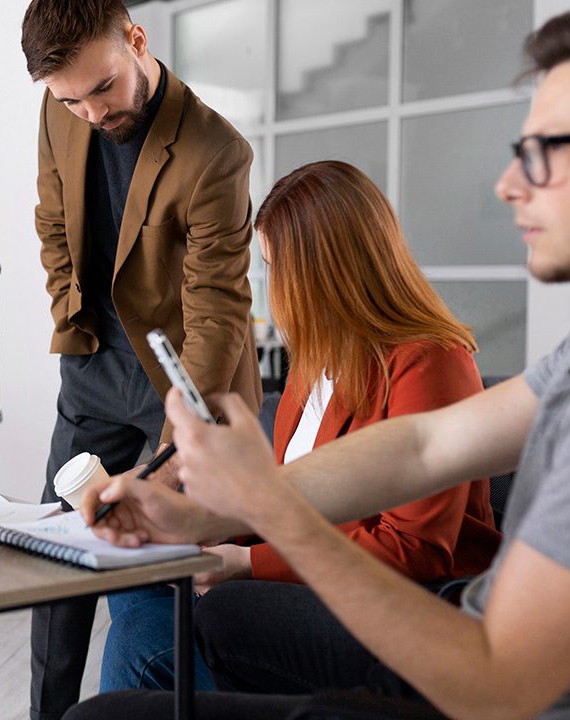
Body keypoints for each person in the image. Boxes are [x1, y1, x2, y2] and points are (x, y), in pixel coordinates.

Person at [70, 0, 570, 717]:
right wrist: (225, 509)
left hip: (473, 688)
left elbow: (497, 683)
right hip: (465, 649)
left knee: (112, 709)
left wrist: (267, 527)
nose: (508, 186)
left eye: (549, 150)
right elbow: (426, 443)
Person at [99, 161, 502, 695]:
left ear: (326, 271)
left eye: (276, 268)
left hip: (406, 599)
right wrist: (214, 530)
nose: (270, 291)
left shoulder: (430, 360)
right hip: (315, 576)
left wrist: (247, 561)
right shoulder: (314, 364)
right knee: (136, 587)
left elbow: (417, 550)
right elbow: (296, 497)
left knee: (181, 627)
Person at [20, 0, 262, 716]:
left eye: (103, 89)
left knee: (173, 573)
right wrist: (70, 314)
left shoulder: (217, 152)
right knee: (55, 565)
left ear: (136, 41)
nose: (90, 113)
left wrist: (179, 430)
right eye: (71, 99)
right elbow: (51, 218)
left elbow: (218, 310)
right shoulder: (58, 108)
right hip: (93, 369)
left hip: (181, 382)